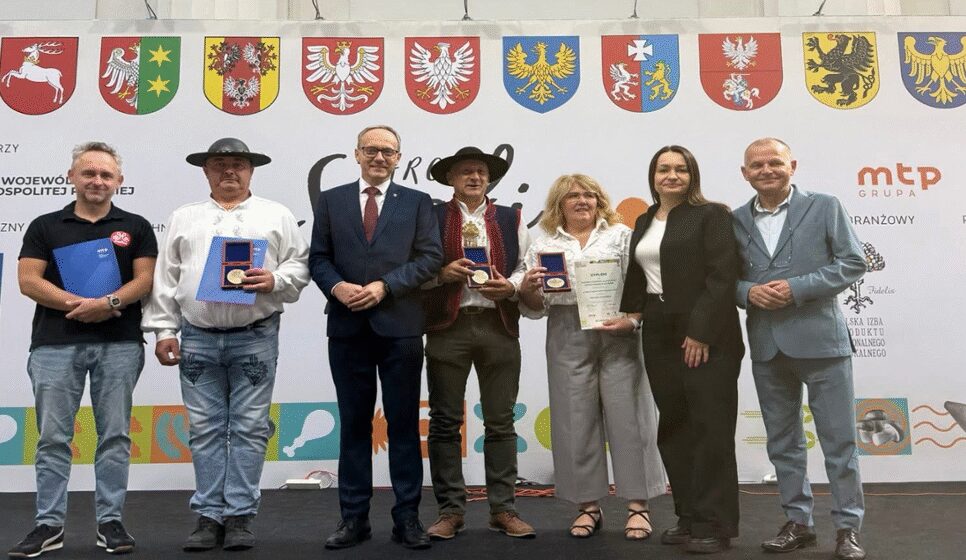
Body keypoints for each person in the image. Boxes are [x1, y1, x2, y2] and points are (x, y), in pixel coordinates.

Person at [141, 138, 310, 552]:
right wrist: (164, 330)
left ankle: (239, 515)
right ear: (206, 171)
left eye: (238, 164)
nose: (229, 172)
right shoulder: (185, 216)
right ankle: (208, 515)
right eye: (220, 165)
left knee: (251, 429)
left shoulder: (277, 214)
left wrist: (276, 279)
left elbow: (299, 264)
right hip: (197, 337)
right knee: (203, 430)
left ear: (251, 171)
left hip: (255, 335)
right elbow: (166, 276)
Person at [10, 142, 157, 558]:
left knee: (114, 436)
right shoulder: (44, 225)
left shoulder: (137, 225)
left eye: (106, 175)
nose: (97, 181)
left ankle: (110, 522)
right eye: (89, 173)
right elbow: (28, 280)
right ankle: (48, 525)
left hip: (119, 345)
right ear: (71, 177)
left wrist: (108, 304)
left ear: (119, 182)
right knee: (53, 438)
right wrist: (81, 305)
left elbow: (144, 280)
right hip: (54, 345)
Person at [310, 125, 443, 550]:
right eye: (371, 149)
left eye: (388, 151)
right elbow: (318, 257)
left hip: (400, 326)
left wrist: (386, 285)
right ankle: (353, 520)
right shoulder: (331, 201)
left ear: (399, 158)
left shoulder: (419, 203)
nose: (379, 157)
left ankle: (407, 518)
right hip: (347, 328)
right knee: (353, 426)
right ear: (356, 154)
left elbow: (430, 258)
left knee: (404, 426)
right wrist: (336, 287)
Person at [733, 137, 867, 560]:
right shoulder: (734, 220)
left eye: (775, 162)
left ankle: (847, 527)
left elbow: (853, 262)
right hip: (767, 347)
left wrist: (796, 288)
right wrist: (748, 292)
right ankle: (798, 522)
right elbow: (726, 279)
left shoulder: (825, 206)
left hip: (823, 344)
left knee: (839, 442)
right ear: (745, 173)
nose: (766, 169)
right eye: (757, 164)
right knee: (783, 442)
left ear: (792, 166)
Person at [518, 174, 665, 541]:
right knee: (573, 421)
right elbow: (535, 306)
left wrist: (632, 321)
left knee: (631, 420)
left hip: (618, 333)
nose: (582, 201)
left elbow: (647, 285)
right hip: (567, 332)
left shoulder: (621, 236)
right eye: (573, 196)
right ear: (559, 204)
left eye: (589, 195)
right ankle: (588, 508)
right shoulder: (544, 243)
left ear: (600, 201)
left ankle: (638, 507)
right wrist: (530, 288)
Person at [615, 145, 745, 554]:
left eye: (680, 170)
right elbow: (640, 278)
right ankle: (688, 517)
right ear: (652, 176)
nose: (671, 176)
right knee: (674, 427)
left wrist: (700, 332)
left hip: (706, 335)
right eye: (663, 169)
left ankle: (716, 524)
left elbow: (723, 277)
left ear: (693, 176)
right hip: (658, 330)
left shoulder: (713, 216)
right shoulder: (643, 219)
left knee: (710, 428)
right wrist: (631, 316)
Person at [422, 147, 534, 540]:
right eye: (466, 171)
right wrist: (441, 274)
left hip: (497, 324)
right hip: (446, 326)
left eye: (481, 172)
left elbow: (526, 265)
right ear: (450, 179)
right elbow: (415, 265)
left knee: (501, 421)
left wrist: (513, 285)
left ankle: (503, 509)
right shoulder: (431, 215)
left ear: (489, 179)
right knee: (444, 422)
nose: (474, 177)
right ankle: (450, 510)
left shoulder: (510, 217)